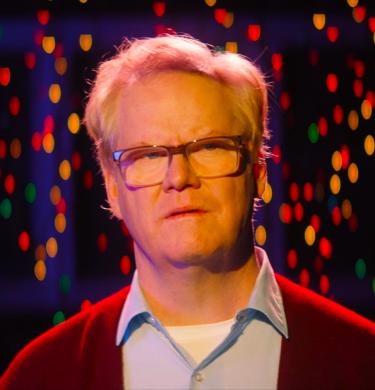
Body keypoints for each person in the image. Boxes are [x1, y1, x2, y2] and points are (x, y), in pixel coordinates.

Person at [1, 34, 374, 390]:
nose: (179, 178)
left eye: (209, 147)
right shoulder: (40, 375)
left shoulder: (361, 361)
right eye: (147, 154)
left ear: (258, 173)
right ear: (112, 189)